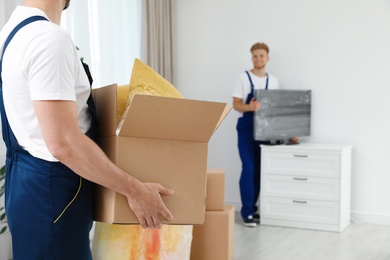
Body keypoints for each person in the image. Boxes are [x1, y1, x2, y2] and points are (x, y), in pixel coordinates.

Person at [0, 0, 174, 259]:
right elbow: (63, 143)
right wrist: (135, 190)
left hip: (28, 186)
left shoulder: (12, 31)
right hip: (54, 194)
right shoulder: (49, 40)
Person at [232, 42, 279, 227]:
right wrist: (249, 106)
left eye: (261, 56)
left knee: (261, 170)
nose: (258, 59)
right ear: (252, 58)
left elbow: (275, 108)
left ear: (267, 58)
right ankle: (247, 212)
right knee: (249, 168)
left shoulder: (273, 81)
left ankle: (254, 209)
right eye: (255, 56)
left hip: (266, 130)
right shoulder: (243, 78)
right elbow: (236, 104)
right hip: (246, 128)